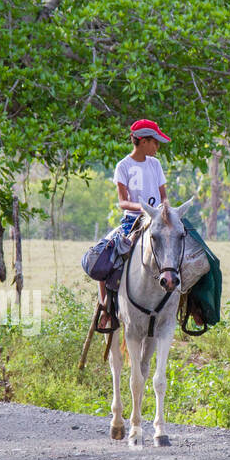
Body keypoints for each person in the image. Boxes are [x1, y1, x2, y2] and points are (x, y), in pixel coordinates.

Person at [94, 119, 170, 330]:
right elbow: (122, 202)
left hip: (158, 220)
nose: (157, 147)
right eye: (155, 142)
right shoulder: (123, 166)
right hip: (132, 220)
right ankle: (106, 307)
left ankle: (187, 306)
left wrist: (165, 211)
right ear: (144, 141)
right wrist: (142, 207)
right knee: (105, 255)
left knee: (180, 248)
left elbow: (164, 196)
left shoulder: (155, 164)